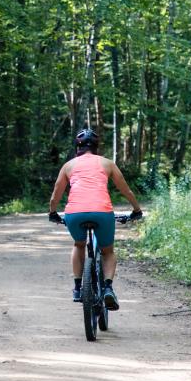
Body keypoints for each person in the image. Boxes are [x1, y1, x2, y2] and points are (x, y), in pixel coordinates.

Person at [48, 128, 142, 309]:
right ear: (97, 147)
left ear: (78, 147)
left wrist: (53, 213)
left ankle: (77, 287)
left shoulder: (68, 166)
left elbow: (55, 195)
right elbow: (126, 190)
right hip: (102, 212)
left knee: (79, 244)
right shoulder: (107, 163)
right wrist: (136, 209)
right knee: (107, 252)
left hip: (74, 214)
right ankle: (107, 288)